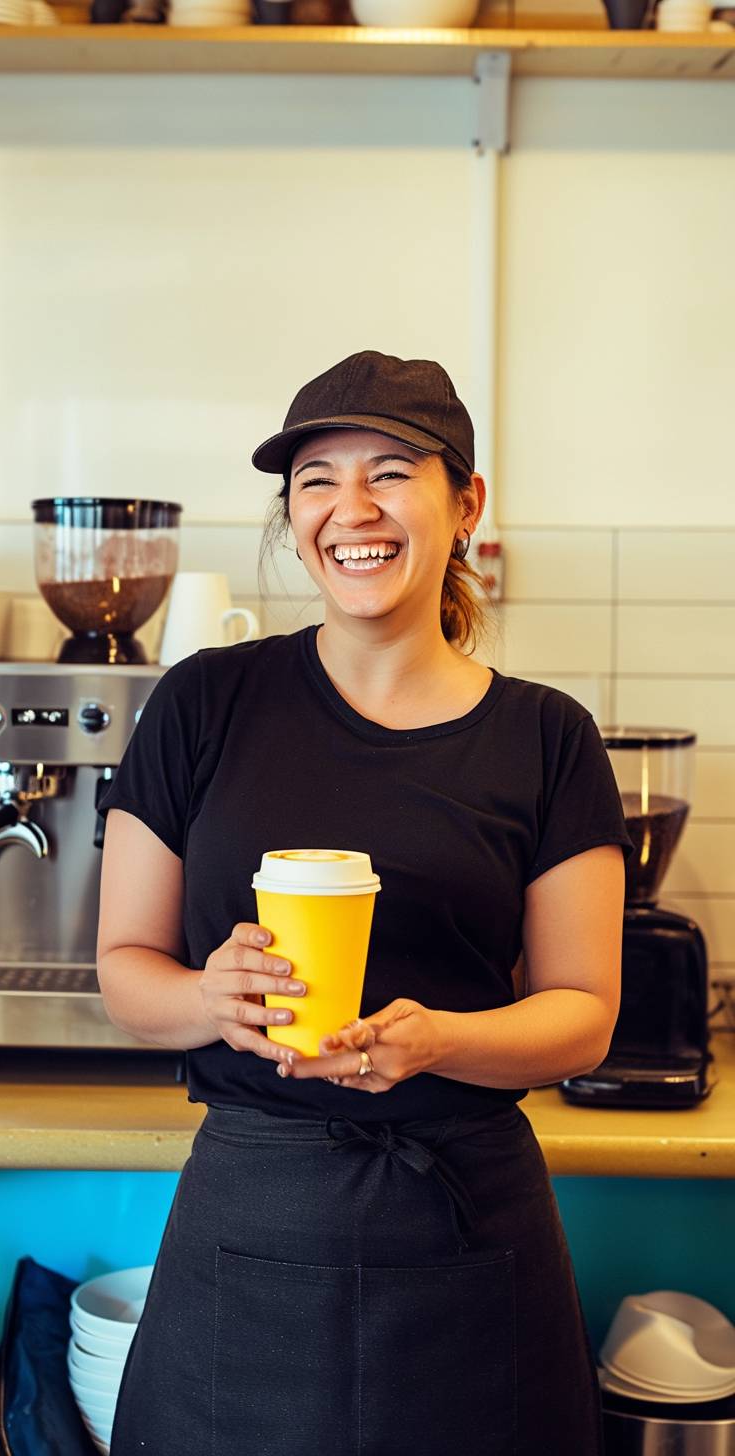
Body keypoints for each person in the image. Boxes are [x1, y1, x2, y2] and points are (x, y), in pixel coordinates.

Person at [96, 349, 632, 1456]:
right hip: (252, 1209)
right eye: (316, 480)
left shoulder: (547, 738)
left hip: (468, 1219)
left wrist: (437, 1041)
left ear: (464, 504)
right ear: (291, 517)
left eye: (391, 471)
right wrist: (212, 996)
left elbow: (584, 1010)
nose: (353, 510)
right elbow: (124, 968)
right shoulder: (204, 701)